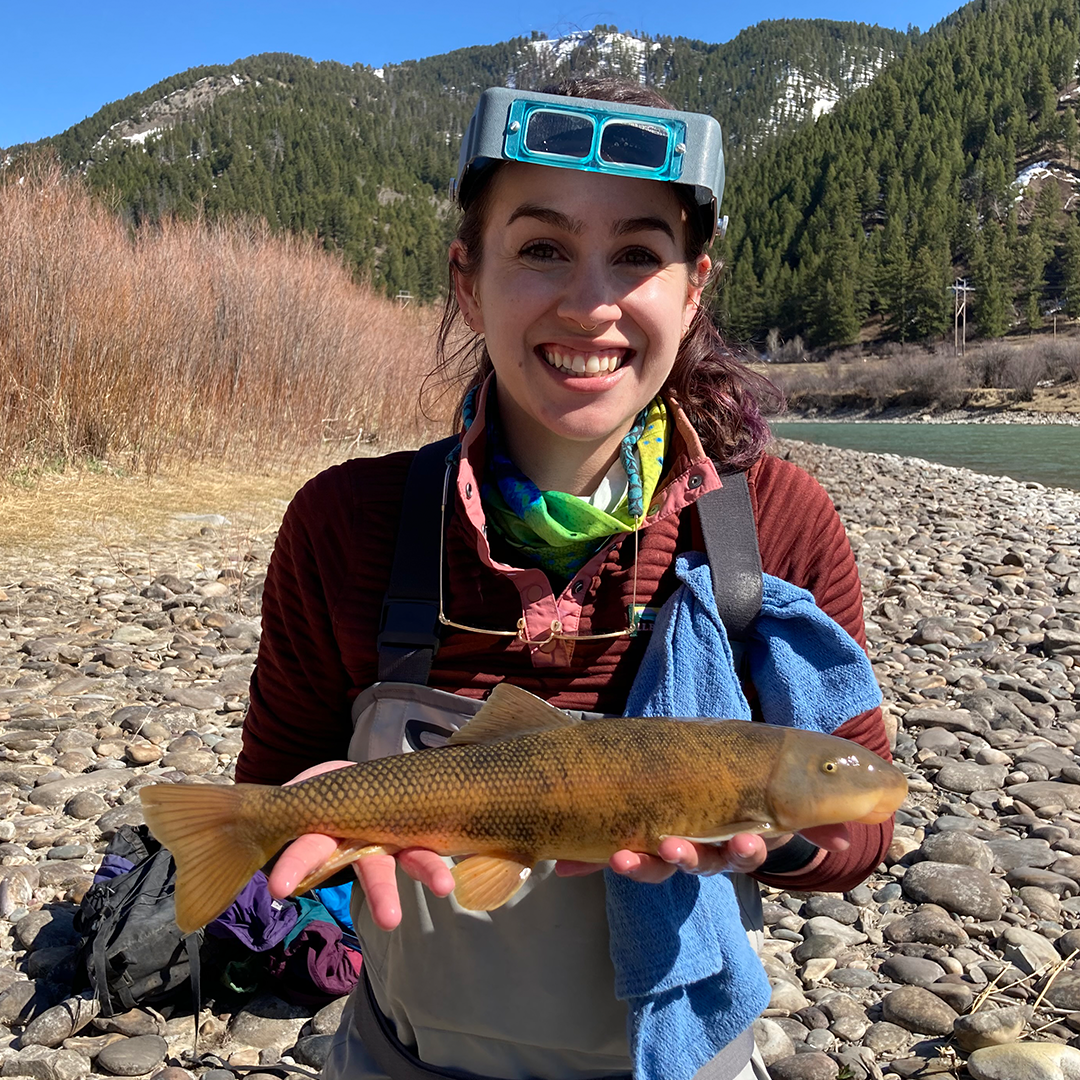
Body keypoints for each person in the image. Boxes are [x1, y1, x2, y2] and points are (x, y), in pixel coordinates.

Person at [235, 77, 895, 1080]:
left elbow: (861, 837)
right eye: (541, 249)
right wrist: (329, 828)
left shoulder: (772, 530)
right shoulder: (345, 525)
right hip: (403, 1055)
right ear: (468, 279)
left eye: (637, 254)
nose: (591, 304)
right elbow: (268, 804)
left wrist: (766, 842)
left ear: (693, 288)